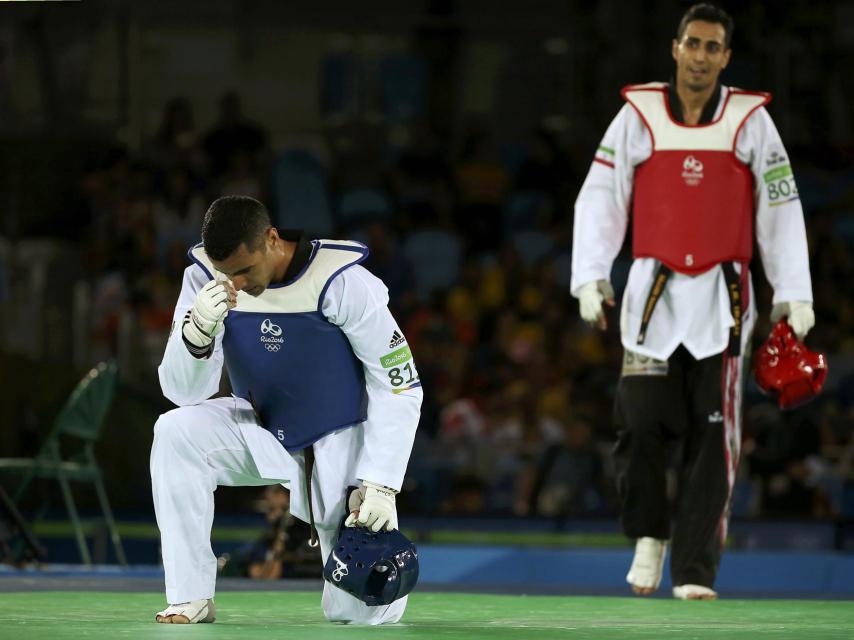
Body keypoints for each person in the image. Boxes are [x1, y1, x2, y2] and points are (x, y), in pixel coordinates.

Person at [570, 3, 814, 600]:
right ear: (675, 48)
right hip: (651, 294)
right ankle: (648, 536)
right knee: (640, 423)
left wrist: (795, 293)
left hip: (725, 298)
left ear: (726, 57)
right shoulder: (639, 114)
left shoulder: (751, 120)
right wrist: (589, 275)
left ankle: (696, 570)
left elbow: (781, 207)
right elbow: (602, 195)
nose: (701, 56)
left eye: (713, 47)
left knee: (715, 437)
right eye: (693, 44)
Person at [151, 195, 422, 623]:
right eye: (226, 274)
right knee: (175, 432)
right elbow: (184, 392)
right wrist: (197, 334)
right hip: (261, 428)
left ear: (271, 239)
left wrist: (382, 482)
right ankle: (190, 596)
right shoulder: (204, 280)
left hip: (337, 439)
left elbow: (400, 385)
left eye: (244, 270)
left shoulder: (341, 282)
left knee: (362, 611)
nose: (234, 284)